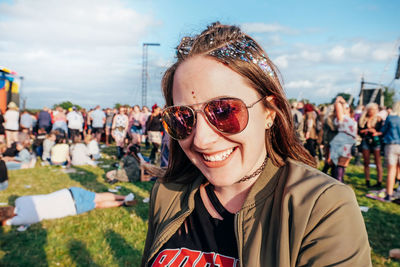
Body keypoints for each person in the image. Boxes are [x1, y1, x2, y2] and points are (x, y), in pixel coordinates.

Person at [142, 22, 371, 266]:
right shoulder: (168, 193)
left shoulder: (322, 207)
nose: (201, 139)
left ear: (269, 112)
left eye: (224, 111)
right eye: (183, 117)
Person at [0, 187, 135, 226]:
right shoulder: (20, 200)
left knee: (97, 205)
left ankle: (122, 203)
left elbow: (6, 222)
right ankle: (124, 197)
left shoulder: (22, 219)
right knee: (97, 196)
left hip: (73, 208)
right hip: (69, 193)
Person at [328, 96, 357, 182]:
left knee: (343, 165)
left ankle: (339, 182)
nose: (347, 108)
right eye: (345, 107)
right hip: (343, 142)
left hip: (348, 142)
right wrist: (338, 100)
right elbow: (338, 105)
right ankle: (338, 183)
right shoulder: (341, 118)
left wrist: (343, 102)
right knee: (339, 164)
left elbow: (345, 106)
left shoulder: (349, 118)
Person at [358, 103, 383, 188]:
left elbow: (381, 131)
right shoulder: (363, 119)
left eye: (375, 109)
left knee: (378, 161)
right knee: (366, 162)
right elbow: (359, 131)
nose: (373, 111)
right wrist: (366, 130)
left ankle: (379, 181)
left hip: (375, 142)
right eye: (372, 109)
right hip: (366, 141)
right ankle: (367, 181)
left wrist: (374, 132)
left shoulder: (379, 119)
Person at [380, 101, 400, 201]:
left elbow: (383, 131)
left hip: (391, 145)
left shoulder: (391, 118)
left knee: (391, 171)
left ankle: (388, 194)